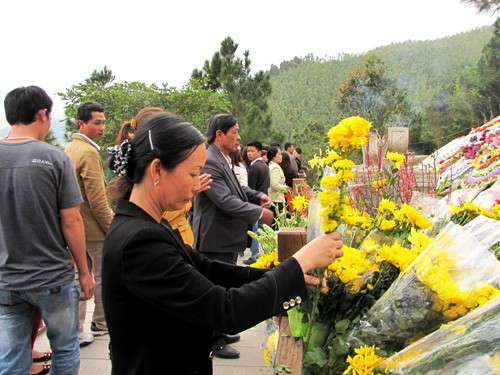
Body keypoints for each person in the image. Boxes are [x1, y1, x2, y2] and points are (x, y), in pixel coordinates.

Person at [102, 111, 344, 374]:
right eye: (194, 174)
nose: (197, 186)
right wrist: (300, 261)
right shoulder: (139, 242)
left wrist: (286, 277)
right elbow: (225, 309)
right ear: (158, 169)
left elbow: (209, 270)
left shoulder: (149, 225)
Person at [0, 85, 94, 374]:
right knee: (65, 347)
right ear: (42, 114)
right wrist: (84, 271)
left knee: (12, 356)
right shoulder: (54, 158)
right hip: (51, 276)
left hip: (6, 280)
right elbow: (71, 221)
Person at [192, 113, 275, 358]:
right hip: (214, 237)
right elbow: (225, 201)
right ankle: (213, 341)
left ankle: (219, 330)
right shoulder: (209, 160)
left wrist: (256, 195)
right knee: (214, 290)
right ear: (220, 134)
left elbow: (237, 190)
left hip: (225, 236)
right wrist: (259, 213)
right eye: (235, 132)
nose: (239, 137)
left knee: (223, 285)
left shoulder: (222, 158)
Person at [65, 102, 114, 345]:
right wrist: (111, 227)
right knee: (101, 276)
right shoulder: (88, 152)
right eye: (97, 122)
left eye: (103, 122)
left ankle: (76, 328)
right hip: (93, 227)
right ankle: (100, 323)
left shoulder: (70, 148)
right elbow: (97, 200)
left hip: (73, 226)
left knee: (76, 276)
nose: (102, 127)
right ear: (81, 123)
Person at [244, 141, 270, 265]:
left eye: (252, 151)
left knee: (255, 231)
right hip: (264, 200)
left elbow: (251, 188)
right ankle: (267, 253)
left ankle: (254, 255)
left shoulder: (255, 166)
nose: (249, 153)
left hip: (255, 203)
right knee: (262, 231)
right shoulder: (264, 165)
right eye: (248, 151)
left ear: (259, 152)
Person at [267, 146, 291, 229]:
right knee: (277, 225)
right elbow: (274, 185)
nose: (281, 156)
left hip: (274, 198)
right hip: (276, 200)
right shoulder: (275, 168)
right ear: (274, 156)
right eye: (279, 154)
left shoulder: (272, 165)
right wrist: (286, 188)